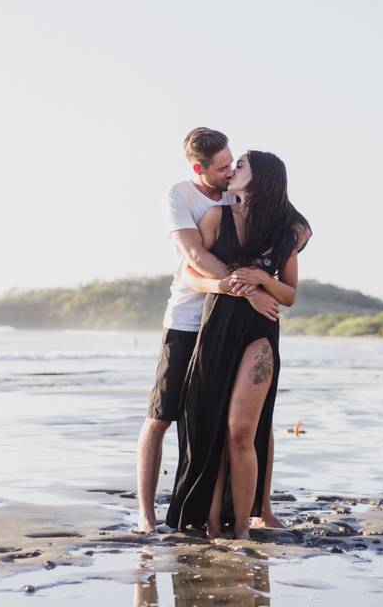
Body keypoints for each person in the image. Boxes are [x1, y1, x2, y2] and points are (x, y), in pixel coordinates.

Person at [136, 129, 282, 533]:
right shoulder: (181, 196)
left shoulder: (241, 193)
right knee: (161, 417)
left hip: (232, 326)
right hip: (187, 321)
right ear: (198, 168)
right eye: (221, 168)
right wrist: (248, 291)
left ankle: (258, 510)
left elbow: (288, 230)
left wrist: (256, 291)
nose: (229, 171)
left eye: (232, 163)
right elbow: (194, 256)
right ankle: (147, 516)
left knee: (253, 421)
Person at [165, 150, 311, 540]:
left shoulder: (285, 232)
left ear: (260, 178)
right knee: (212, 428)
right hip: (216, 330)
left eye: (241, 164)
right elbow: (192, 276)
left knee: (240, 429)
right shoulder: (216, 217)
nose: (232, 170)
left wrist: (261, 280)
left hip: (259, 332)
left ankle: (244, 528)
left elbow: (291, 295)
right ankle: (213, 526)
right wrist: (232, 285)